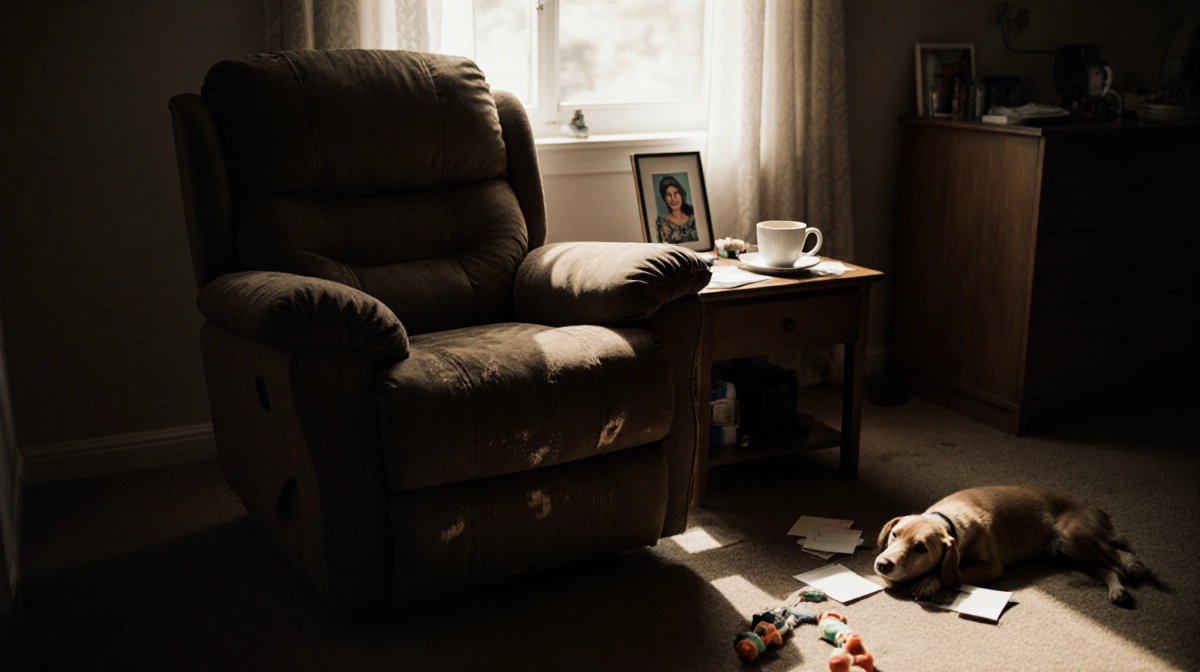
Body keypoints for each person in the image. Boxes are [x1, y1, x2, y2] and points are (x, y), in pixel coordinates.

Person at [654, 175, 698, 244]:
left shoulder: (693, 219)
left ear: (681, 194)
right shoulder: (662, 225)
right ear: (664, 198)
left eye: (676, 193)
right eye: (668, 194)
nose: (673, 199)